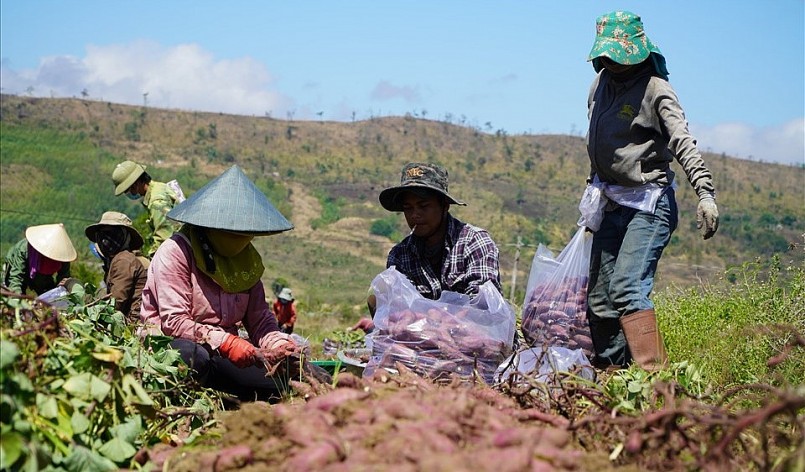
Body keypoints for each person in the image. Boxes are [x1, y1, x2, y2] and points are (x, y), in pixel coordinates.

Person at [584, 11, 719, 370]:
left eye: (618, 55)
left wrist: (705, 192)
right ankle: (614, 380)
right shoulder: (600, 85)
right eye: (607, 55)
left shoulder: (656, 89)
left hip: (648, 205)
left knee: (627, 288)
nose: (611, 62)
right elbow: (601, 145)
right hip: (612, 203)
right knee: (599, 300)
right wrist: (592, 199)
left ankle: (653, 383)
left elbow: (681, 140)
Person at [139, 165, 300, 403]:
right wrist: (227, 342)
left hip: (224, 353)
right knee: (191, 357)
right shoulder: (176, 252)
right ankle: (182, 400)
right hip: (173, 345)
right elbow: (174, 322)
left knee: (279, 382)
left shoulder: (247, 261)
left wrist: (280, 345)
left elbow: (259, 319)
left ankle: (228, 390)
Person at [353, 162, 502, 332]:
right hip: (422, 345)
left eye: (424, 206)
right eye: (408, 208)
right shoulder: (400, 255)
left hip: (474, 340)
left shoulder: (474, 242)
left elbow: (483, 306)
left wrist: (439, 320)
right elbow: (397, 312)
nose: (415, 214)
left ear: (444, 206)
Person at [85, 211, 149, 324]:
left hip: (132, 325)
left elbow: (115, 304)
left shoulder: (123, 260)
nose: (106, 239)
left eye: (112, 233)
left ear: (124, 235)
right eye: (102, 234)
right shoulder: (117, 260)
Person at [112, 160, 183, 257]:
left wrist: (150, 259)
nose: (128, 194)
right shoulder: (159, 187)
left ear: (135, 185)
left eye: (127, 191)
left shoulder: (156, 202)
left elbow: (164, 238)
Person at [2, 223, 77, 296]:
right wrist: (17, 298)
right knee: (14, 294)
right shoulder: (23, 250)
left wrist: (62, 290)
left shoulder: (63, 254)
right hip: (19, 267)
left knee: (49, 293)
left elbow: (64, 277)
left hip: (42, 273)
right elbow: (16, 277)